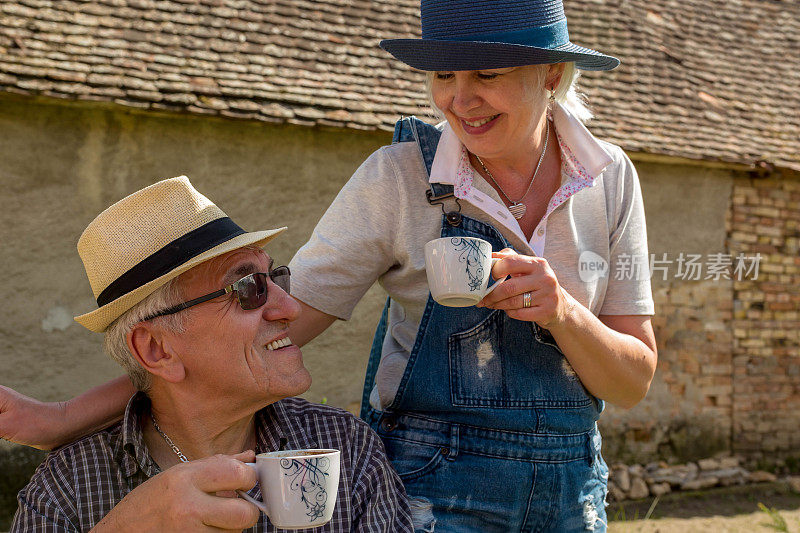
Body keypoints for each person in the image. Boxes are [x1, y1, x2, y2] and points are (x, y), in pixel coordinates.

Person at [1, 1, 659, 531]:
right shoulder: (399, 179)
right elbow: (242, 338)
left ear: (549, 74)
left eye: (484, 74)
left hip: (575, 488)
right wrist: (63, 419)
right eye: (442, 76)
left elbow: (632, 381)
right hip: (434, 487)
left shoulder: (612, 179)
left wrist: (564, 311)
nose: (458, 101)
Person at [8, 177, 412, 532]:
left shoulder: (346, 449)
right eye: (249, 288)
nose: (291, 308)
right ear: (156, 349)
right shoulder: (67, 489)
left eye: (276, 278)